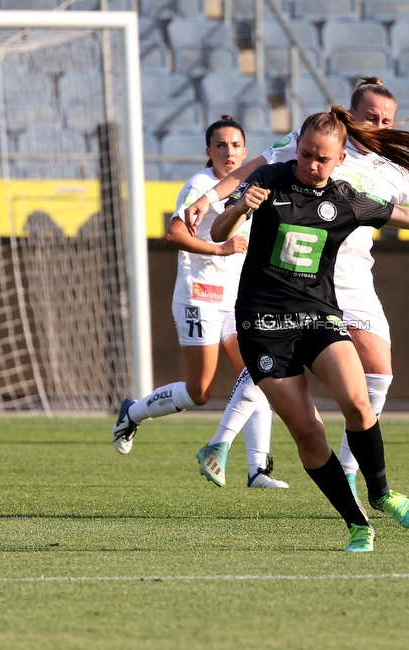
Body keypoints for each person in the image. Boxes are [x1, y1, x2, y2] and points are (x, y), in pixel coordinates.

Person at [186, 78, 409, 500]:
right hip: (297, 276)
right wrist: (212, 197)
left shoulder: (393, 173)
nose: (379, 126)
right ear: (350, 115)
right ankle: (225, 438)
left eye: (387, 120)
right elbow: (253, 167)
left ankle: (347, 470)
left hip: (353, 277)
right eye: (370, 117)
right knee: (277, 360)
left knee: (379, 370)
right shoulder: (315, 146)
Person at [111, 116, 289, 488]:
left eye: (236, 145)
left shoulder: (255, 183)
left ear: (245, 148)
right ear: (208, 152)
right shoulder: (201, 185)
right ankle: (134, 412)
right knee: (200, 392)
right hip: (200, 296)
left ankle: (258, 470)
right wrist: (219, 248)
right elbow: (173, 234)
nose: (229, 152)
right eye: (220, 146)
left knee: (260, 374)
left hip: (236, 299)